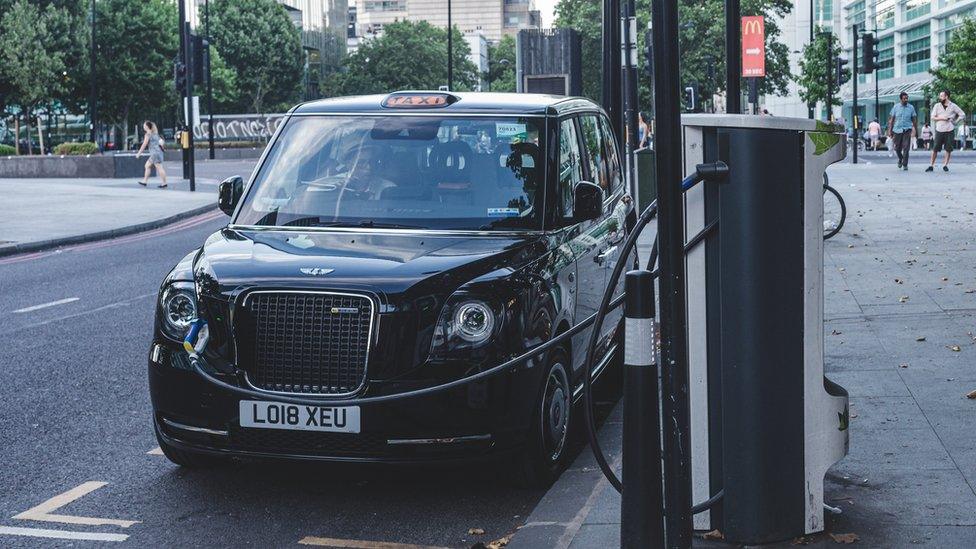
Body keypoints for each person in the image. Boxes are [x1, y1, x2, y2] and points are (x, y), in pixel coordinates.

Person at [927, 90, 966, 172]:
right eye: (940, 96)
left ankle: (945, 165)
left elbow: (962, 114)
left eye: (941, 96)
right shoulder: (937, 106)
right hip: (939, 129)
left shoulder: (953, 106)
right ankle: (931, 165)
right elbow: (932, 117)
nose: (940, 97)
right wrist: (942, 118)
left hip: (949, 129)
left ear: (946, 96)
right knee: (935, 148)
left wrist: (955, 122)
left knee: (948, 149)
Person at [886, 92, 917, 170]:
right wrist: (890, 130)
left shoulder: (911, 107)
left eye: (907, 98)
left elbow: (914, 120)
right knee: (897, 148)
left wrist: (915, 130)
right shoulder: (896, 107)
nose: (906, 100)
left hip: (907, 130)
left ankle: (905, 164)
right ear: (901, 99)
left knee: (906, 148)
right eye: (904, 98)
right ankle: (900, 159)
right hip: (897, 130)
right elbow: (891, 120)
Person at [136, 121, 168, 188]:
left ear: (147, 127)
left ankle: (164, 183)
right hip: (158, 152)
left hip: (155, 153)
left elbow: (144, 144)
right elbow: (161, 143)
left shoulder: (148, 134)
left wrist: (139, 153)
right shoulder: (155, 134)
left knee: (159, 167)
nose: (143, 126)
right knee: (147, 165)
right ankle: (144, 181)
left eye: (144, 125)